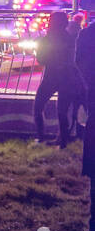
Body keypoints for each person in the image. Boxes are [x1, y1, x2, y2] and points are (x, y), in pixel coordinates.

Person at [34, 11, 81, 147]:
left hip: (51, 76)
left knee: (38, 106)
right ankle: (63, 142)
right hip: (68, 77)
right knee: (62, 111)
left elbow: (41, 59)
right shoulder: (71, 39)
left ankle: (40, 136)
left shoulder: (46, 40)